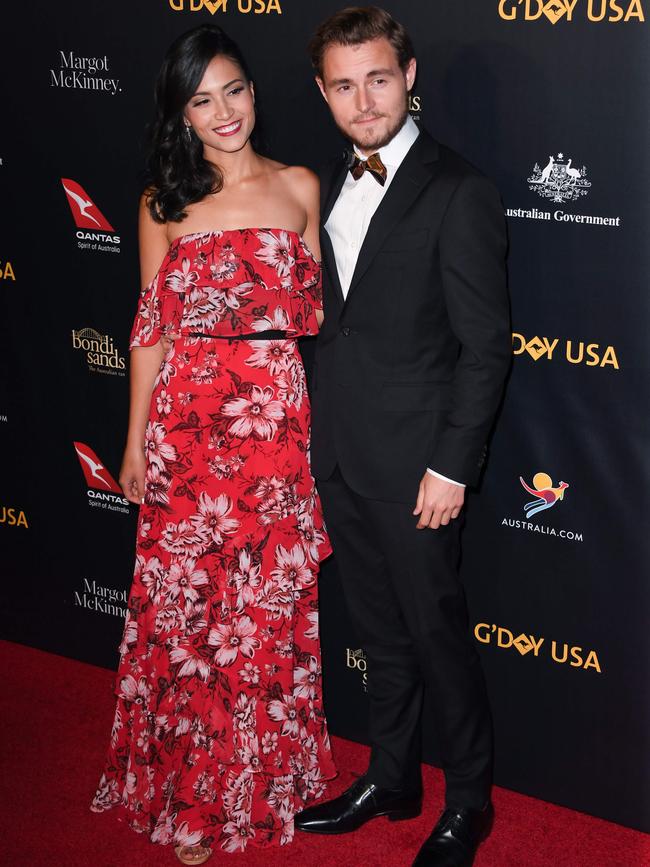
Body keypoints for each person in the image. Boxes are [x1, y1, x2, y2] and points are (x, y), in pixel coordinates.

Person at [90, 24, 335, 865]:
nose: (223, 111)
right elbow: (149, 333)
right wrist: (132, 443)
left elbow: (316, 319)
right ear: (181, 115)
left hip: (272, 432)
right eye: (201, 99)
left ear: (255, 94)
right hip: (188, 432)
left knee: (264, 612)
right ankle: (194, 794)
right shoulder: (164, 203)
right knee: (191, 617)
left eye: (234, 90)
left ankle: (266, 777)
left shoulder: (302, 185)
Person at [295, 8, 511, 867]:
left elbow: (486, 347)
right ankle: (392, 775)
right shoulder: (326, 184)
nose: (364, 100)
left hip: (420, 467)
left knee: (436, 637)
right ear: (323, 93)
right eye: (343, 85)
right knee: (379, 634)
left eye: (378, 78)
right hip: (342, 454)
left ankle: (468, 799)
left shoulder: (460, 189)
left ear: (409, 74)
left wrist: (452, 465)